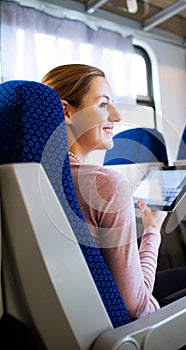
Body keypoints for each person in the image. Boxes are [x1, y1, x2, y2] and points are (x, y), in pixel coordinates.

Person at [41, 64, 167, 320]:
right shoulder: (104, 184)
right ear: (66, 111)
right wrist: (152, 231)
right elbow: (137, 308)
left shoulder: (35, 178)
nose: (117, 116)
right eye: (103, 104)